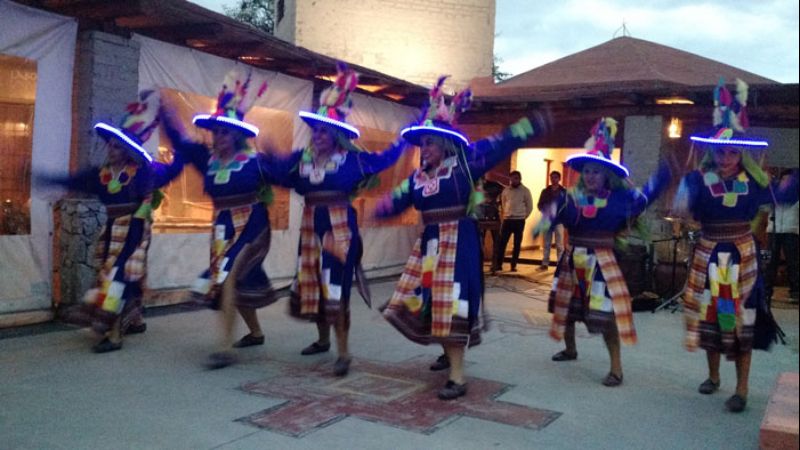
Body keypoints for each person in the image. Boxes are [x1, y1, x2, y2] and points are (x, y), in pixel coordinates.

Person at [377, 75, 546, 399]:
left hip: (460, 243)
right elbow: (397, 201)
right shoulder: (417, 177)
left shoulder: (466, 163)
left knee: (451, 301)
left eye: (430, 142)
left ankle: (457, 377)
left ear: (446, 143)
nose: (424, 148)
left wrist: (532, 124)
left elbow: (502, 142)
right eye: (422, 142)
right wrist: (382, 208)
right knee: (428, 300)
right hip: (430, 245)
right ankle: (446, 351)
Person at [268, 62, 407, 376]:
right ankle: (322, 341)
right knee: (314, 285)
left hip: (339, 233)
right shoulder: (301, 164)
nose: (317, 135)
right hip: (310, 231)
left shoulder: (351, 162)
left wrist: (403, 141)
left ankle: (343, 353)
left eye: (324, 131)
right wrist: (265, 155)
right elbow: (279, 174)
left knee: (334, 289)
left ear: (337, 135)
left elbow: (384, 159)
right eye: (315, 130)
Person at [674, 79, 799, 412]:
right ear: (712, 152)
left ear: (741, 153)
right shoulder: (699, 180)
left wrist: (795, 178)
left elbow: (785, 196)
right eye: (721, 151)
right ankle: (713, 377)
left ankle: (741, 389)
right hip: (708, 256)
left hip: (742, 259)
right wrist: (683, 191)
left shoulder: (755, 183)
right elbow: (683, 211)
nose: (727, 157)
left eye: (733, 151)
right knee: (712, 319)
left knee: (742, 323)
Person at [38, 90, 178, 353]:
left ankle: (113, 334)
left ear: (127, 150)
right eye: (110, 145)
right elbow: (74, 181)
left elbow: (160, 185)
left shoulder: (141, 174)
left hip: (135, 229)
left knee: (119, 276)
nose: (112, 150)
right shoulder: (101, 175)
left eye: (118, 146)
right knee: (115, 275)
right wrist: (47, 178)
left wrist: (181, 148)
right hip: (110, 229)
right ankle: (134, 318)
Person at [160, 70, 278, 369]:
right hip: (222, 227)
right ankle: (255, 332)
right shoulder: (208, 160)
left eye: (225, 132)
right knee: (230, 279)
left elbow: (288, 173)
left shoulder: (255, 162)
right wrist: (164, 110)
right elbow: (181, 142)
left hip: (253, 224)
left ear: (237, 134)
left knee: (228, 275)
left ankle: (225, 348)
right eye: (216, 132)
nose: (219, 137)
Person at [540, 117, 670, 387]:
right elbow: (551, 217)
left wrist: (662, 176)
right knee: (566, 308)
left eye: (596, 172)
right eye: (586, 171)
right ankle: (570, 348)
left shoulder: (620, 199)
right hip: (572, 257)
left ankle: (616, 368)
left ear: (606, 175)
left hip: (602, 261)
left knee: (606, 316)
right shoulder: (570, 198)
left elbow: (645, 197)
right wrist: (548, 217)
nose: (590, 176)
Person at [765, 169, 799, 303]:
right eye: (784, 180)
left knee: (793, 262)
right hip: (774, 229)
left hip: (791, 230)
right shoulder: (774, 193)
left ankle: (795, 291)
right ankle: (767, 290)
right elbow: (765, 208)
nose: (787, 183)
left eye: (790, 181)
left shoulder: (796, 194)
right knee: (770, 262)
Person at [491, 171, 533, 273]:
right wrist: (506, 214)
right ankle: (499, 265)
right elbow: (504, 202)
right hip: (507, 220)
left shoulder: (525, 191)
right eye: (512, 178)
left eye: (515, 178)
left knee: (517, 243)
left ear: (519, 179)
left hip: (519, 220)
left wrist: (523, 216)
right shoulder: (506, 190)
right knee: (502, 243)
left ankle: (513, 265)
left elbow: (530, 206)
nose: (513, 180)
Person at [537, 170, 566, 270]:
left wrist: (562, 216)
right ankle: (545, 263)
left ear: (559, 179)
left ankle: (560, 264)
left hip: (559, 220)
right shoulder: (545, 191)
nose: (553, 179)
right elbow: (539, 204)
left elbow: (567, 206)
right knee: (547, 243)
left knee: (559, 244)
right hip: (547, 220)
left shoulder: (564, 192)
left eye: (555, 177)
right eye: (551, 177)